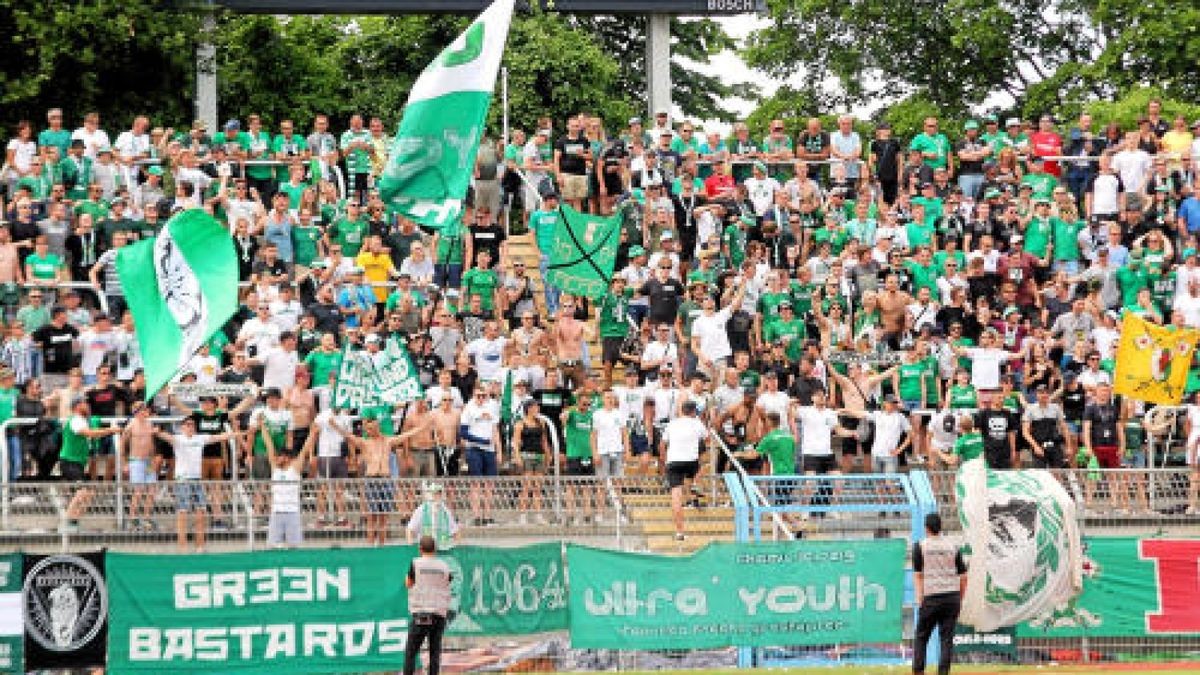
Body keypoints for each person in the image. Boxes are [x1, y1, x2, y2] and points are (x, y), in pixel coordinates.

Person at [153, 417, 238, 552]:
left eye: (192, 424)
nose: (190, 426)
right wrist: (157, 431)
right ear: (182, 427)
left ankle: (200, 546)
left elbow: (220, 437)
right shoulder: (178, 439)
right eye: (187, 424)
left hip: (197, 480)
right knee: (182, 512)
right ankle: (183, 547)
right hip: (182, 480)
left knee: (201, 511)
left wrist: (236, 432)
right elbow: (164, 435)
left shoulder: (200, 438)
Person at [912, 512, 968, 675]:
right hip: (952, 597)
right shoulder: (953, 547)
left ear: (926, 528)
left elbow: (918, 575)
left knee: (922, 637)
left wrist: (919, 597)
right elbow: (964, 577)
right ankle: (943, 672)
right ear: (940, 527)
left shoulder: (920, 546)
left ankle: (918, 671)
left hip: (931, 597)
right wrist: (960, 597)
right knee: (946, 639)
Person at [404, 534, 453, 675]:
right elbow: (447, 581)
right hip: (439, 613)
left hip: (421, 612)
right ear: (435, 549)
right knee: (434, 652)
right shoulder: (444, 566)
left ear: (420, 549)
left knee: (411, 652)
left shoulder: (416, 563)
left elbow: (408, 583)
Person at [661, 400, 707, 541]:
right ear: (693, 412)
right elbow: (707, 438)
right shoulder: (697, 423)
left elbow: (662, 444)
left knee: (676, 497)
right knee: (703, 463)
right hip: (691, 463)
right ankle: (694, 484)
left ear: (682, 410)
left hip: (673, 462)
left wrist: (664, 462)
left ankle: (679, 532)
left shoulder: (672, 423)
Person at [266, 420, 314, 549]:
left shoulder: (294, 469)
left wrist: (313, 433)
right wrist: (263, 428)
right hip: (276, 511)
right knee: (273, 546)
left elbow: (304, 450)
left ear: (287, 458)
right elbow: (269, 446)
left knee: (294, 546)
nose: (276, 458)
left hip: (292, 511)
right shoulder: (275, 470)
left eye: (279, 456)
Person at [406, 482, 460, 549]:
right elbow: (410, 529)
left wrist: (456, 546)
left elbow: (456, 531)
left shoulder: (445, 511)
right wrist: (410, 545)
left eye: (439, 493)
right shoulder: (421, 510)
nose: (437, 496)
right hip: (426, 551)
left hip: (443, 550)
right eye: (434, 494)